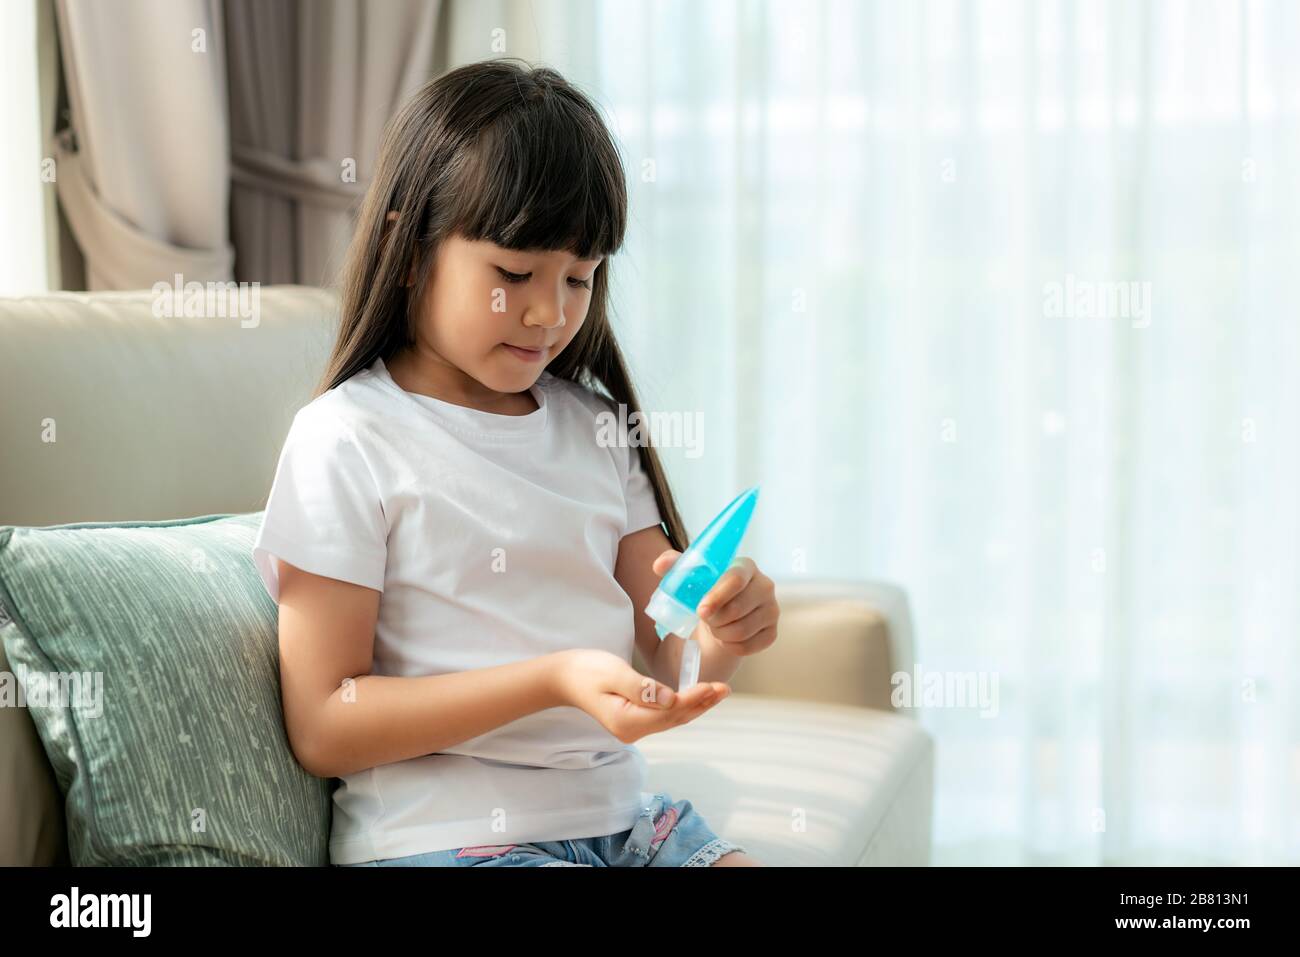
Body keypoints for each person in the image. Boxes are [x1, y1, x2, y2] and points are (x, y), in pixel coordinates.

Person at [251, 58, 780, 867]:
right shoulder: (345, 439)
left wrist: (724, 627)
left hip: (627, 822)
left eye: (579, 276)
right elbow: (325, 722)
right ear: (411, 244)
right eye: (513, 273)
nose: (550, 312)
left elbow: (668, 647)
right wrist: (551, 679)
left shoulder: (597, 427)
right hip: (447, 838)